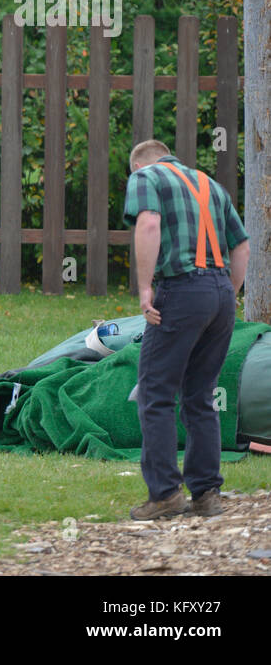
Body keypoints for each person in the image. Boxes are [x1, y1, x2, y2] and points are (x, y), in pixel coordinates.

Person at [122, 139, 249, 520]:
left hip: (179, 290)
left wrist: (145, 288)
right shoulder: (210, 184)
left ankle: (165, 495)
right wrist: (226, 292)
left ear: (141, 164)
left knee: (156, 393)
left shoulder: (146, 176)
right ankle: (207, 494)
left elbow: (148, 223)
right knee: (200, 395)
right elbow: (240, 246)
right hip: (221, 293)